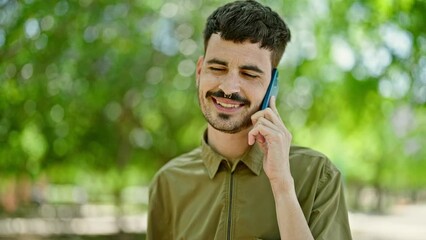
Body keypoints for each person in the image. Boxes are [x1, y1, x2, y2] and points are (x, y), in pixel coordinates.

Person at [147, 0, 352, 239]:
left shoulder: (317, 175)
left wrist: (283, 187)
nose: (229, 87)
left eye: (249, 73)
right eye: (217, 68)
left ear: (272, 86)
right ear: (200, 71)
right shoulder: (167, 182)